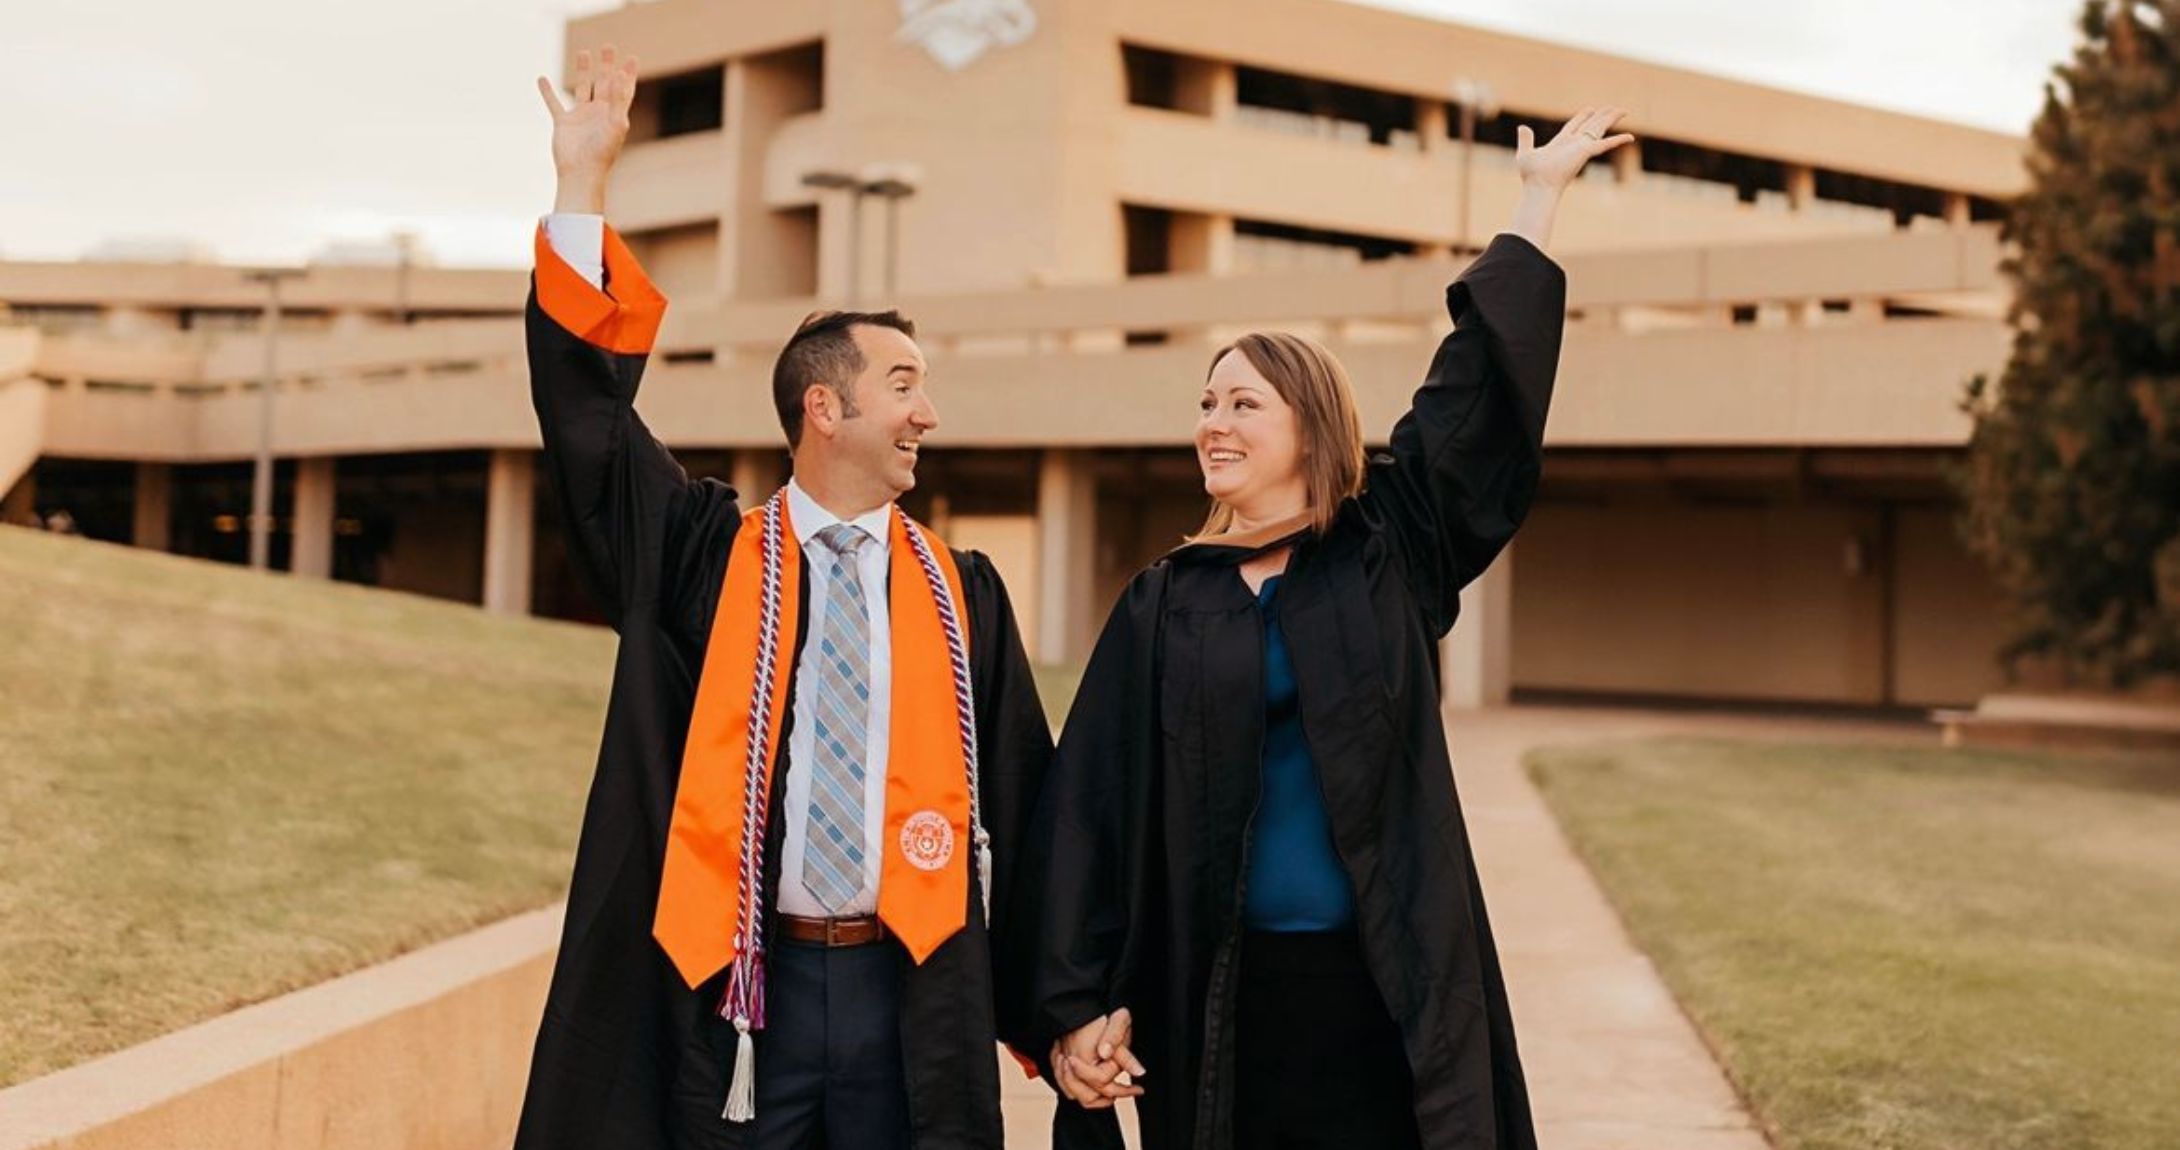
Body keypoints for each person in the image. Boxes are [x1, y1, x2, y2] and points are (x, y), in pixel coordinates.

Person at [1000, 109, 1634, 1150]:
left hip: (1382, 985)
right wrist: (1072, 1000)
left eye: (1243, 403)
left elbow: (1473, 398)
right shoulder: (1167, 600)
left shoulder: (1385, 549)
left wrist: (1536, 198)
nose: (1213, 422)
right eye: (1206, 402)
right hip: (1216, 995)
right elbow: (1089, 807)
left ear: (1307, 423)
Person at [516, 47, 1053, 1150]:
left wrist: (1072, 1002)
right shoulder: (703, 552)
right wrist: (582, 191)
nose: (927, 414)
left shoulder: (962, 596)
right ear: (824, 406)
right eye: (903, 385)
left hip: (908, 993)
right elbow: (590, 431)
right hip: (740, 986)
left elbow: (1033, 811)